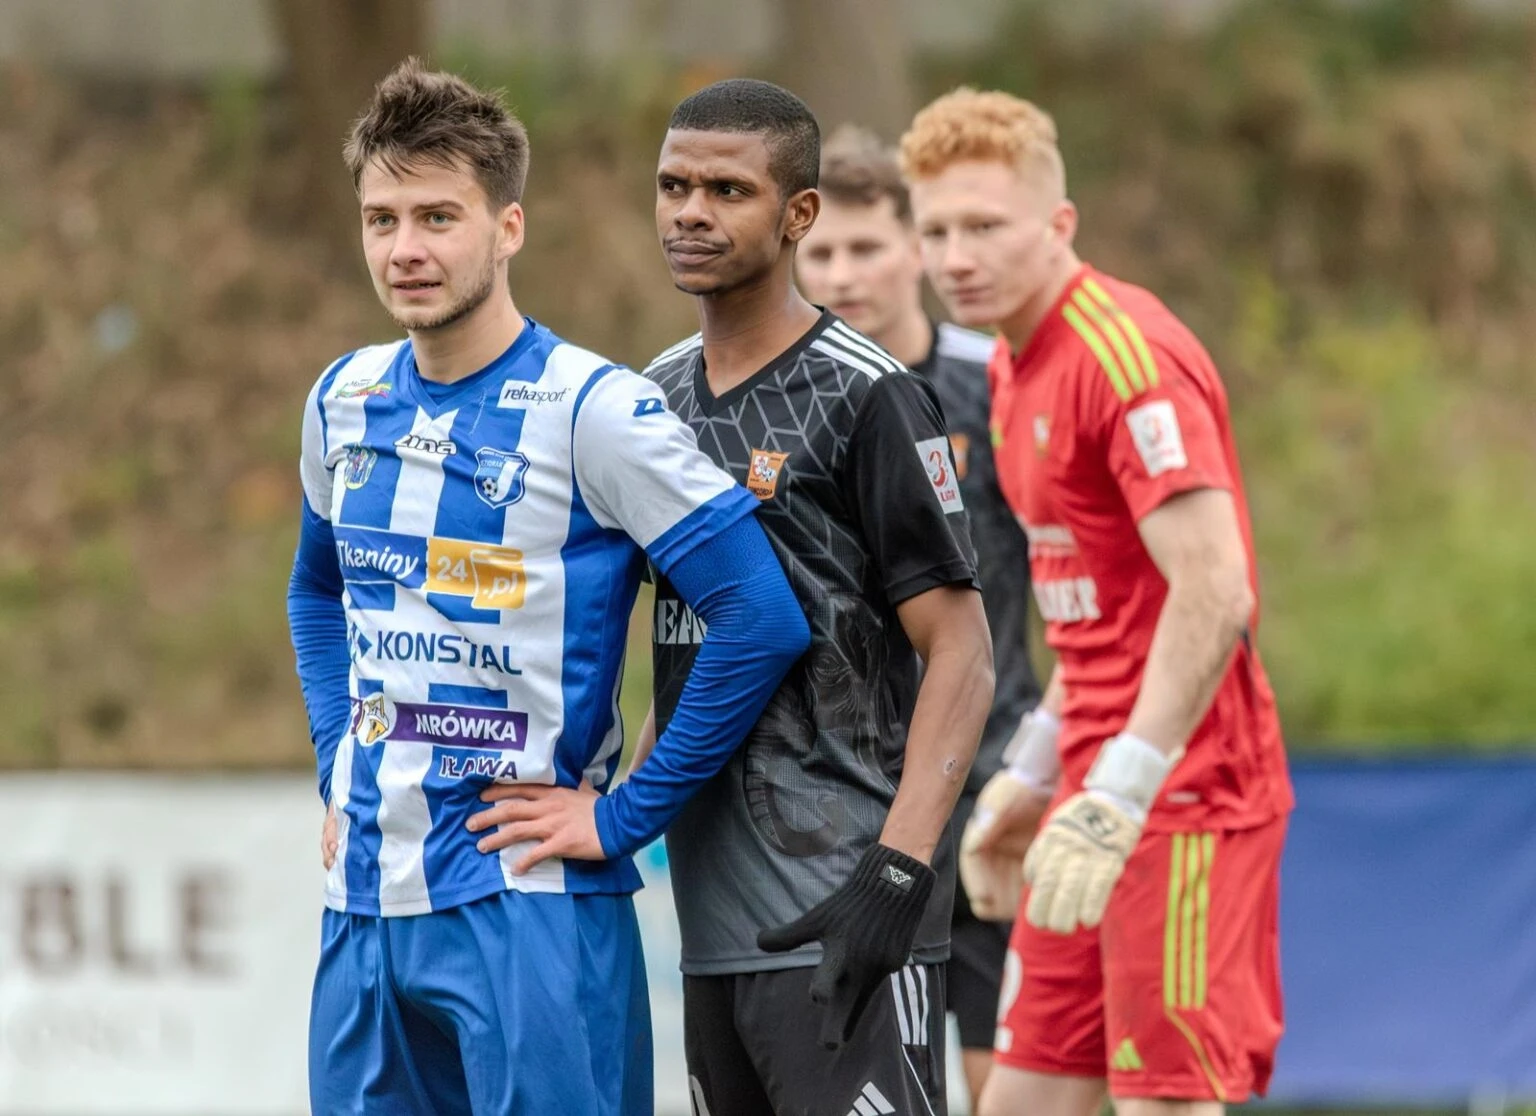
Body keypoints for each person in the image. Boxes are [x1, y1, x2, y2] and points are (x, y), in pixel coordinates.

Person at [288, 59, 809, 1116]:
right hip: (363, 907)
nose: (405, 249)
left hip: (529, 905)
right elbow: (314, 592)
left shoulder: (593, 410)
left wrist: (624, 818)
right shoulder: (342, 397)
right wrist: (336, 755)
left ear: (508, 227)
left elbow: (759, 616)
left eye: (439, 217)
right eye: (382, 219)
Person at [901, 88, 1294, 1116]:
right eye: (936, 231)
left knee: (1166, 1101)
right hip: (1092, 794)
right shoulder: (1007, 363)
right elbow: (1098, 623)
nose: (956, 257)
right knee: (1022, 1100)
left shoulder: (1126, 358)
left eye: (985, 226)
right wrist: (1032, 773)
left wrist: (1125, 788)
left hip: (1186, 795)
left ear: (1059, 223)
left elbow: (1215, 589)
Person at [625, 78, 995, 1116]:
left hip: (846, 910)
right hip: (713, 929)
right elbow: (686, 649)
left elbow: (963, 652)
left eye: (727, 191)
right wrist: (618, 810)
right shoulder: (649, 400)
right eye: (673, 186)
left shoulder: (869, 394)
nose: (691, 212)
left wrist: (898, 873)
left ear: (799, 215)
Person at [795, 124, 1045, 1111]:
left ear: (915, 248)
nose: (842, 274)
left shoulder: (997, 381)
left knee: (1009, 1086)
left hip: (991, 793)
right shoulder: (782, 399)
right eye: (822, 251)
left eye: (867, 247)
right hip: (850, 805)